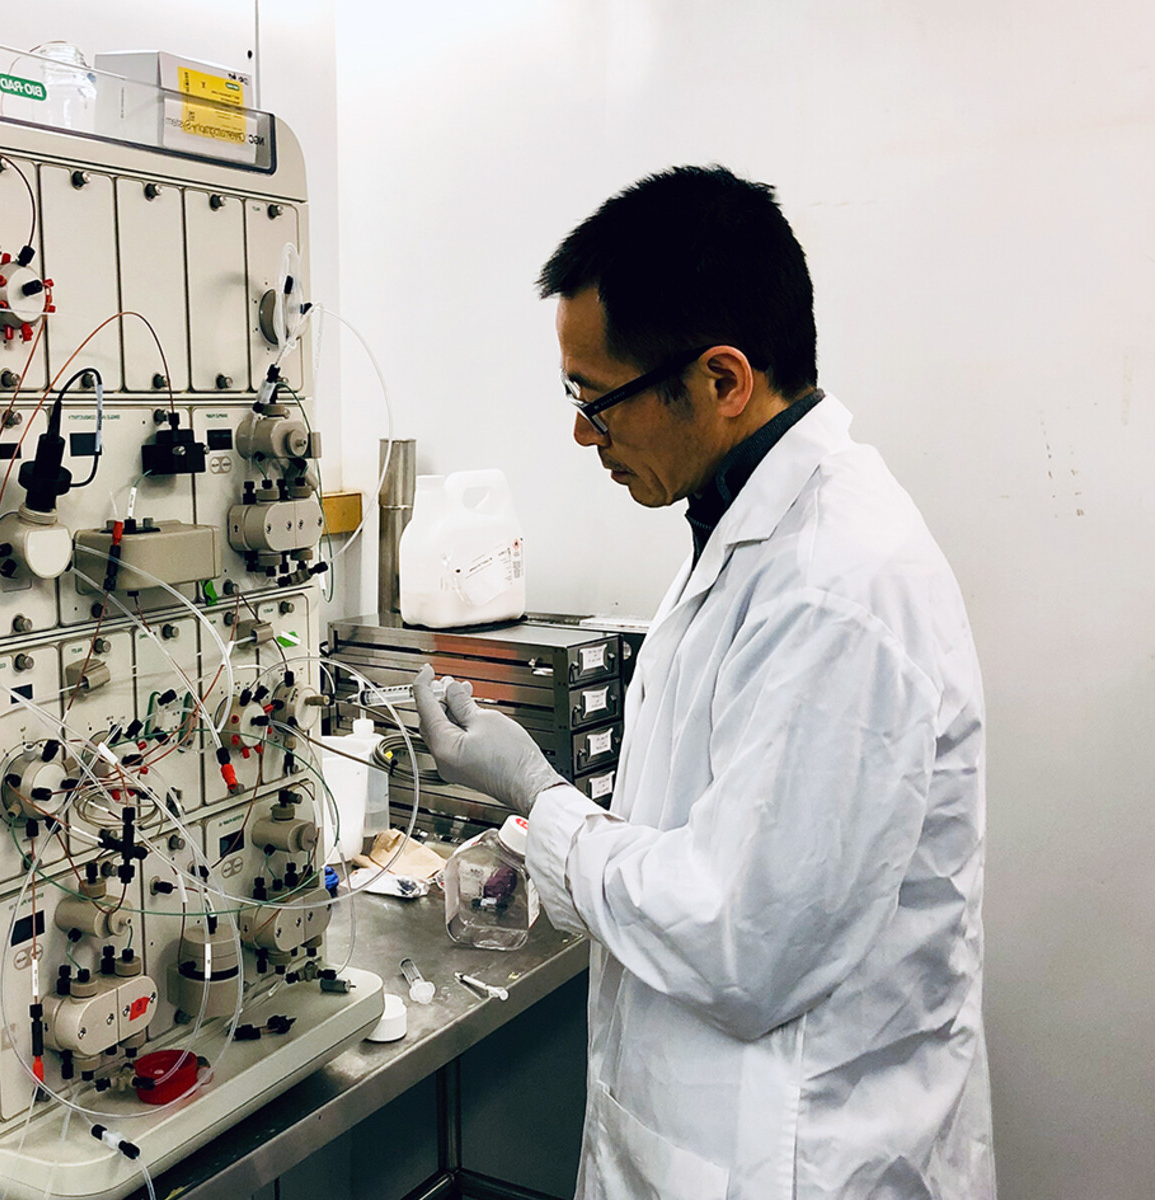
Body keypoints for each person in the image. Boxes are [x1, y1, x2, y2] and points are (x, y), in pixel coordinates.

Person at [412, 166, 994, 1199]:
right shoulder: (744, 525)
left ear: (722, 380)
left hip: (796, 1155)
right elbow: (714, 826)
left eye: (598, 399)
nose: (582, 434)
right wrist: (542, 858)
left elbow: (742, 938)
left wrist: (539, 801)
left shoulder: (837, 585)